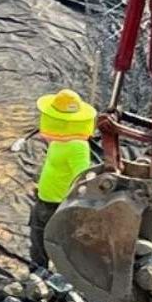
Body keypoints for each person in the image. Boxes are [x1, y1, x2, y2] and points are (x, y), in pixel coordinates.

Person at [29, 89, 96, 268]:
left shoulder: (78, 146)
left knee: (53, 240)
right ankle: (38, 270)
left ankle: (51, 274)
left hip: (57, 204)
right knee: (37, 239)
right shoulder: (59, 140)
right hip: (44, 199)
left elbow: (81, 176)